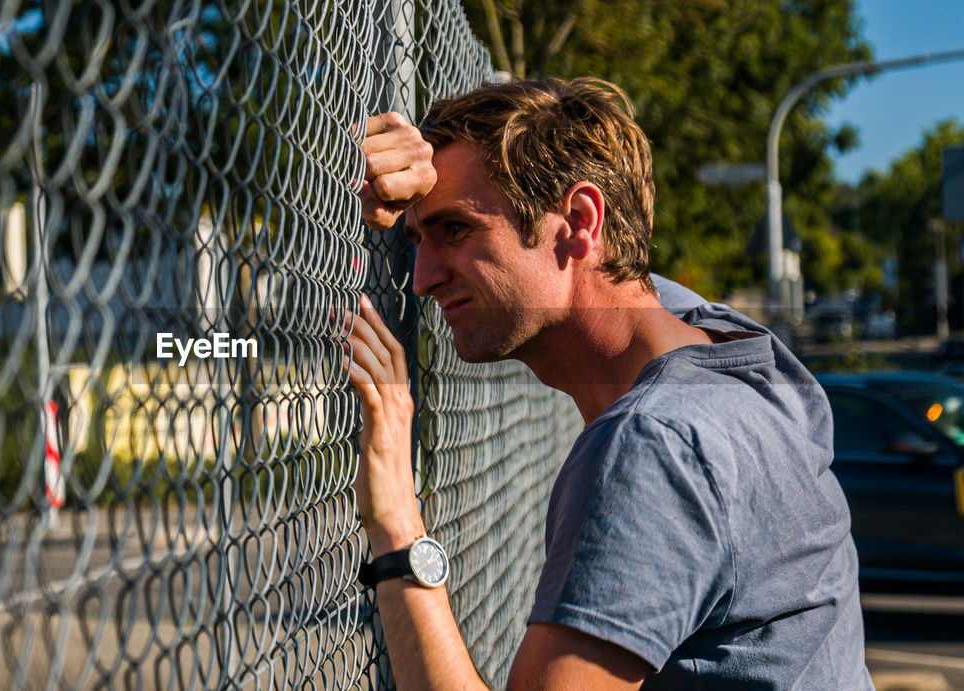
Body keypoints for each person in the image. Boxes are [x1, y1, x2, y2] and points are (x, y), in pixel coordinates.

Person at [341, 76, 871, 689]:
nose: (422, 278)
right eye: (417, 239)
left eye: (456, 230)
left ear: (578, 220)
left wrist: (397, 526)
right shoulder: (738, 354)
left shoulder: (654, 445)